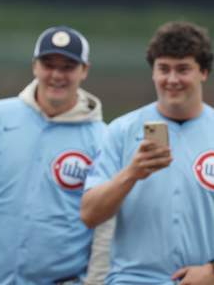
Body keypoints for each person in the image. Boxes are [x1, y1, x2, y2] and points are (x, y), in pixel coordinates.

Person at [0, 26, 112, 285]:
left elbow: (106, 225)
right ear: (35, 66)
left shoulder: (103, 139)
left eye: (68, 67)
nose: (57, 75)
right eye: (48, 64)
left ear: (84, 70)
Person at [81, 21, 214, 285]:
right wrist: (131, 173)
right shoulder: (121, 130)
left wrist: (211, 271)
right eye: (163, 69)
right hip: (133, 279)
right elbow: (89, 214)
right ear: (153, 73)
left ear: (204, 72)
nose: (172, 80)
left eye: (183, 69)